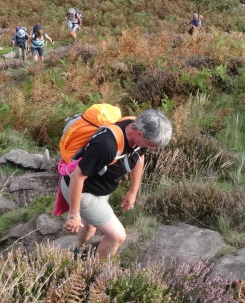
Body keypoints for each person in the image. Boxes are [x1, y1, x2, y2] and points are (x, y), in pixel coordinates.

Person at [62, 109, 173, 260]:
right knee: (117, 236)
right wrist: (74, 214)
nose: (152, 148)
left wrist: (133, 191)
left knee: (89, 225)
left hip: (99, 187)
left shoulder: (138, 129)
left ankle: (78, 254)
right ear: (140, 134)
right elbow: (77, 176)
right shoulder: (107, 145)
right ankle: (96, 271)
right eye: (152, 145)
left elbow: (139, 158)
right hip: (82, 191)